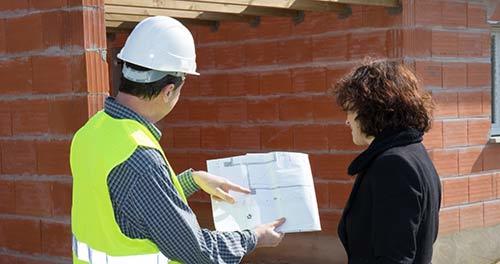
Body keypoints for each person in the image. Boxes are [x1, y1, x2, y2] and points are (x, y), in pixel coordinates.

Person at [70, 16, 285, 264]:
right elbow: (197, 251)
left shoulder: (91, 131)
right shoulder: (140, 158)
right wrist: (254, 236)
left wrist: (191, 180)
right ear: (168, 90)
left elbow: (129, 206)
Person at [330, 59, 441, 264]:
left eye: (350, 110)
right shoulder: (414, 152)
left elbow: (395, 257)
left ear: (372, 109)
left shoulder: (394, 165)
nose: (346, 120)